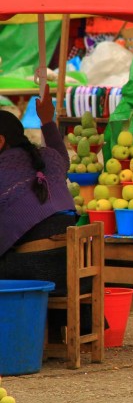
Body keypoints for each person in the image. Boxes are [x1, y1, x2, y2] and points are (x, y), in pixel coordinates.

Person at [0, 85, 75, 294]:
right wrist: (47, 121)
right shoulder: (48, 157)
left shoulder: (4, 169)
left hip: (36, 270)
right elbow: (64, 158)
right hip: (71, 267)